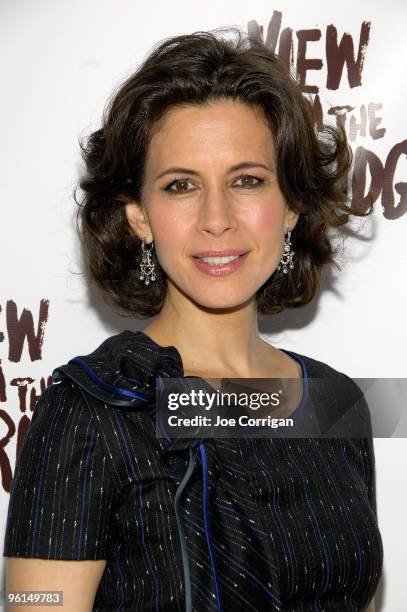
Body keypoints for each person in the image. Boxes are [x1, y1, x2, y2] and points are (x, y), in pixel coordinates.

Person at [3, 27, 383, 611]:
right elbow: (39, 604)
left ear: (291, 207)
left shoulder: (334, 404)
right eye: (181, 186)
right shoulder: (95, 409)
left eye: (248, 180)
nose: (217, 218)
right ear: (139, 217)